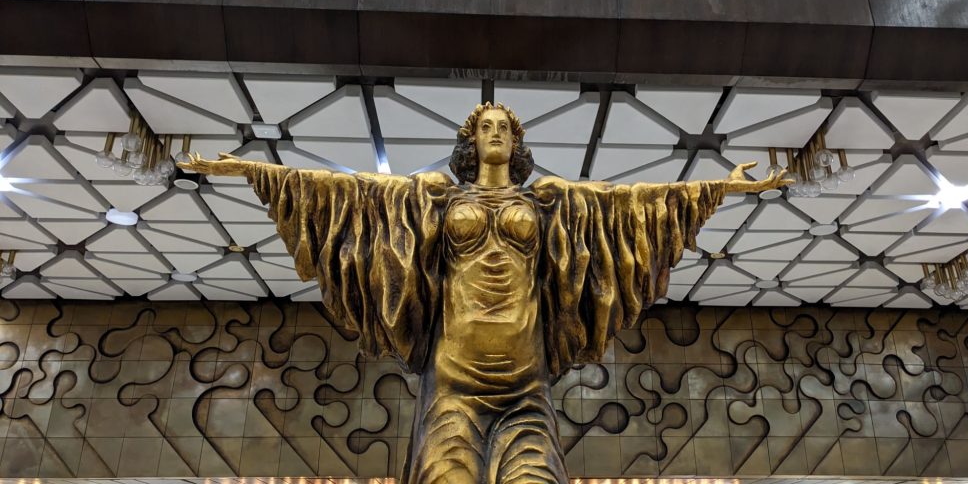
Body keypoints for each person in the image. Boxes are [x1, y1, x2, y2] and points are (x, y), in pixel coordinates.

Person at [179, 102, 790, 484]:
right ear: (470, 143)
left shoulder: (548, 201)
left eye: (504, 128)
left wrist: (724, 187)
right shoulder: (435, 197)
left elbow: (633, 203)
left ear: (516, 144)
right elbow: (347, 191)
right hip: (453, 384)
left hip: (525, 386)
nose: (495, 134)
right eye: (486, 128)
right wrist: (250, 170)